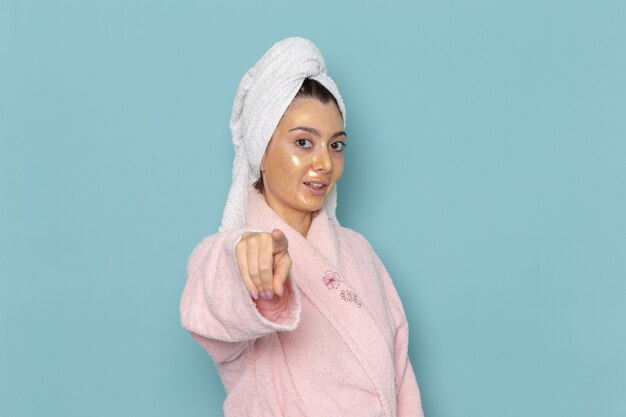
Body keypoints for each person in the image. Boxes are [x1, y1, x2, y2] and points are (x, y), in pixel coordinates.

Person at [179, 37, 424, 417]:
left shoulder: (360, 253)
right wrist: (246, 261)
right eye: (304, 142)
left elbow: (401, 377)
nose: (324, 163)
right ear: (262, 150)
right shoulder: (228, 255)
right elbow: (211, 292)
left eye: (336, 145)